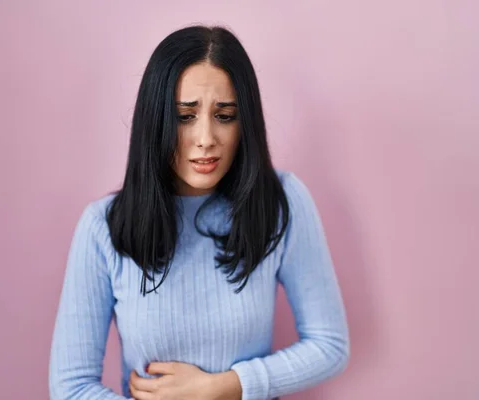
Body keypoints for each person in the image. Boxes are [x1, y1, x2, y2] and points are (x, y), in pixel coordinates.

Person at [49, 25, 350, 400]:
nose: (206, 137)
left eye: (224, 115)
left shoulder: (281, 202)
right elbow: (71, 387)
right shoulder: (102, 227)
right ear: (156, 120)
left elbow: (329, 345)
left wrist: (223, 387)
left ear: (246, 123)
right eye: (185, 116)